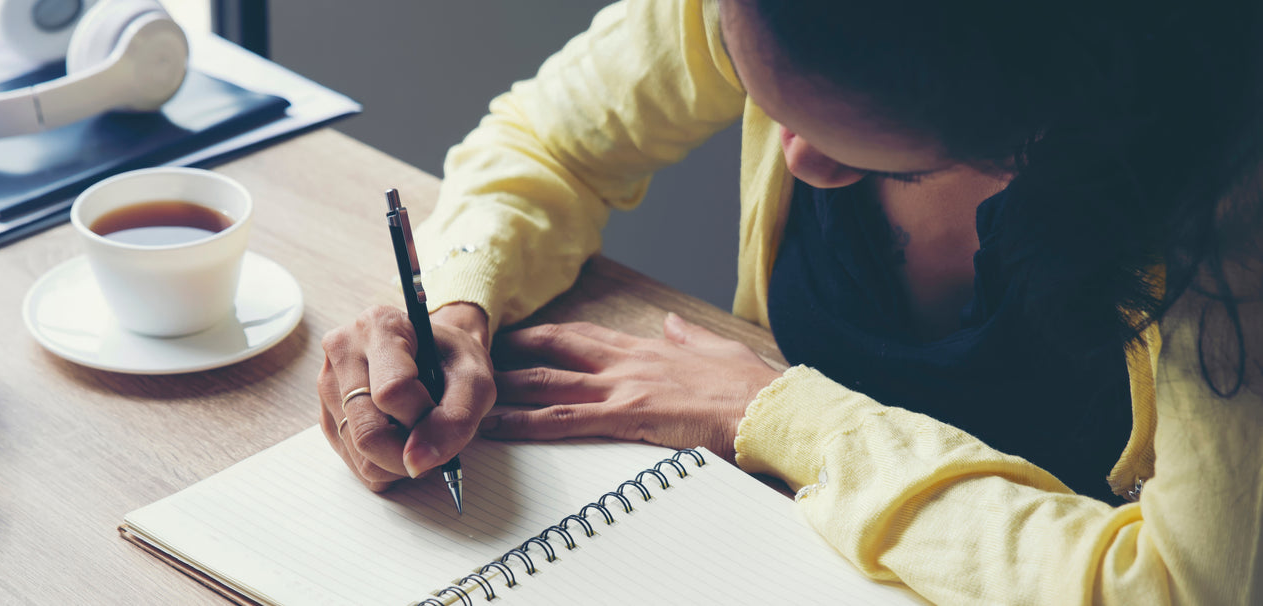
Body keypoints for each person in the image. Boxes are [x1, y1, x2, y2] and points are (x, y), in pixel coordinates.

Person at [316, 0, 1263, 602]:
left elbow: (1178, 590)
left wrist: (780, 415)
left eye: (852, 145)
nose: (794, 159)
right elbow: (553, 138)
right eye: (766, 101)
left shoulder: (1218, 222)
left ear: (1043, 115)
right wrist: (455, 308)